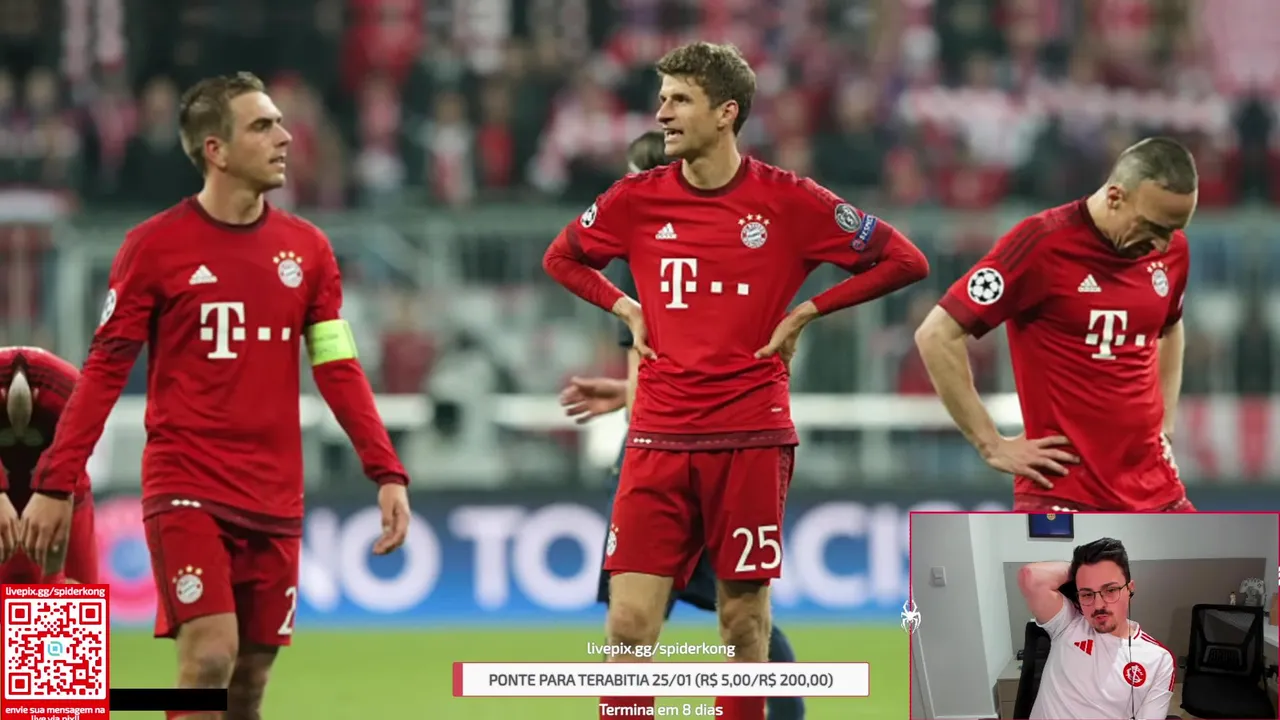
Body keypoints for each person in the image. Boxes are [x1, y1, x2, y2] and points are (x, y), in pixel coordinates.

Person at [543, 42, 929, 720]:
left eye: (679, 99)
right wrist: (624, 306)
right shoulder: (635, 199)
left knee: (743, 626)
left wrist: (808, 310)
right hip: (657, 438)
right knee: (628, 627)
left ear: (726, 113)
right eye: (661, 98)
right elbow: (563, 257)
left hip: (749, 437)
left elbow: (904, 260)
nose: (661, 113)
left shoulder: (790, 200)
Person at [22, 72, 412, 720]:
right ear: (216, 150)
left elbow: (338, 367)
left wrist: (386, 470)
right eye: (263, 126)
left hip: (275, 492)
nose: (285, 137)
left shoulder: (309, 251)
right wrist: (55, 482)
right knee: (209, 657)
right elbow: (105, 371)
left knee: (249, 681)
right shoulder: (153, 247)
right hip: (187, 482)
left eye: (280, 123)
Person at [560, 130, 804, 720]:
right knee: (697, 618)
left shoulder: (655, 261)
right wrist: (627, 393)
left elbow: (690, 368)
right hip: (669, 441)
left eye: (631, 175)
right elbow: (679, 366)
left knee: (721, 617)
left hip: (684, 449)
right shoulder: (657, 262)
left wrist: (632, 401)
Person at [914, 137, 1197, 512]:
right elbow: (936, 334)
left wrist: (1166, 424)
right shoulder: (1040, 244)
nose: (1162, 245)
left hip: (1155, 487)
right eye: (1153, 227)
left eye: (1174, 229)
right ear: (1116, 197)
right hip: (1063, 491)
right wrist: (991, 444)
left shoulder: (1174, 251)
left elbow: (1170, 327)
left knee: (1230, 555)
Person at [1017, 538, 1175, 719]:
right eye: (1087, 594)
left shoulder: (1158, 659)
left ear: (1130, 589)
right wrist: (1079, 571)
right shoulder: (1069, 623)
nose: (1098, 605)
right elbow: (1030, 577)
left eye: (1110, 590)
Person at [0, 347, 97, 585]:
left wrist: (56, 489)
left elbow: (81, 445)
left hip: (64, 489)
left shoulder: (70, 387)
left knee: (78, 604)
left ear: (36, 395)